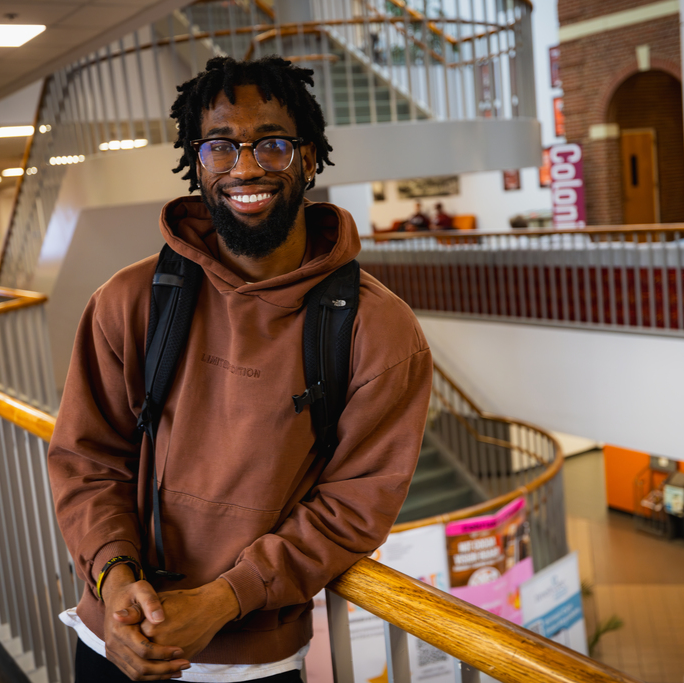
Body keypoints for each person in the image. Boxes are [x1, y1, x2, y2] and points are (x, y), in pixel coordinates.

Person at [47, 55, 433, 682]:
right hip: (115, 640)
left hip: (253, 662)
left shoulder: (378, 329)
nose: (246, 168)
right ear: (197, 164)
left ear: (309, 158)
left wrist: (223, 599)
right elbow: (88, 462)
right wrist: (114, 580)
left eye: (272, 144)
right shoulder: (128, 300)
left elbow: (353, 507)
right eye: (221, 147)